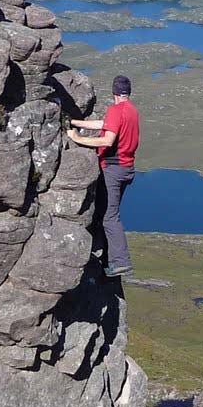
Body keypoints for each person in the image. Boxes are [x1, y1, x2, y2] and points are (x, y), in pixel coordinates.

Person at [67, 75, 141, 277]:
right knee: (105, 213)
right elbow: (106, 124)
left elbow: (107, 140)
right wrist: (75, 122)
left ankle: (121, 262)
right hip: (126, 168)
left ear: (114, 93)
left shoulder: (116, 110)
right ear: (128, 92)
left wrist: (77, 138)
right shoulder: (132, 111)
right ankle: (108, 258)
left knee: (110, 217)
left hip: (113, 169)